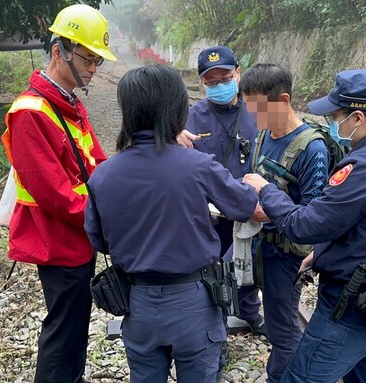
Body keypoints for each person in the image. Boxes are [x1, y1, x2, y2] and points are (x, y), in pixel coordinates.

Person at [243, 69, 366, 383]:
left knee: (302, 378)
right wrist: (324, 251)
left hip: (354, 308)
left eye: (335, 114)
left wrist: (266, 189)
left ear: (358, 118)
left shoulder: (363, 168)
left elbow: (304, 226)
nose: (331, 121)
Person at [84, 65, 258, 383]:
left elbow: (98, 240)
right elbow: (244, 205)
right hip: (195, 301)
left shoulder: (103, 175)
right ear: (177, 110)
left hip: (137, 303)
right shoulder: (198, 165)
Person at [0, 4, 116, 382]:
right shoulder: (31, 111)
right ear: (58, 51)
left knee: (75, 323)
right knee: (64, 330)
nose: (93, 69)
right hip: (58, 241)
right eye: (87, 58)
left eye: (97, 60)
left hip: (77, 237)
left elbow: (96, 162)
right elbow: (55, 194)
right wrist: (107, 215)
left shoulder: (67, 103)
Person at [240, 63, 330, 383]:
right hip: (256, 243)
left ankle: (283, 377)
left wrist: (264, 211)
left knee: (282, 329)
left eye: (259, 109)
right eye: (249, 109)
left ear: (283, 100)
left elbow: (314, 216)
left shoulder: (312, 149)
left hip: (285, 255)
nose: (254, 118)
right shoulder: (263, 135)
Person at [178, 46, 266, 337]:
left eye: (225, 78)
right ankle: (215, 330)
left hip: (252, 208)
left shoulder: (257, 109)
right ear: (202, 83)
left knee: (249, 265)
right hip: (212, 213)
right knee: (213, 274)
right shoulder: (192, 117)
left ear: (238, 74)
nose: (219, 86)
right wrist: (174, 137)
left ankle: (249, 313)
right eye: (211, 82)